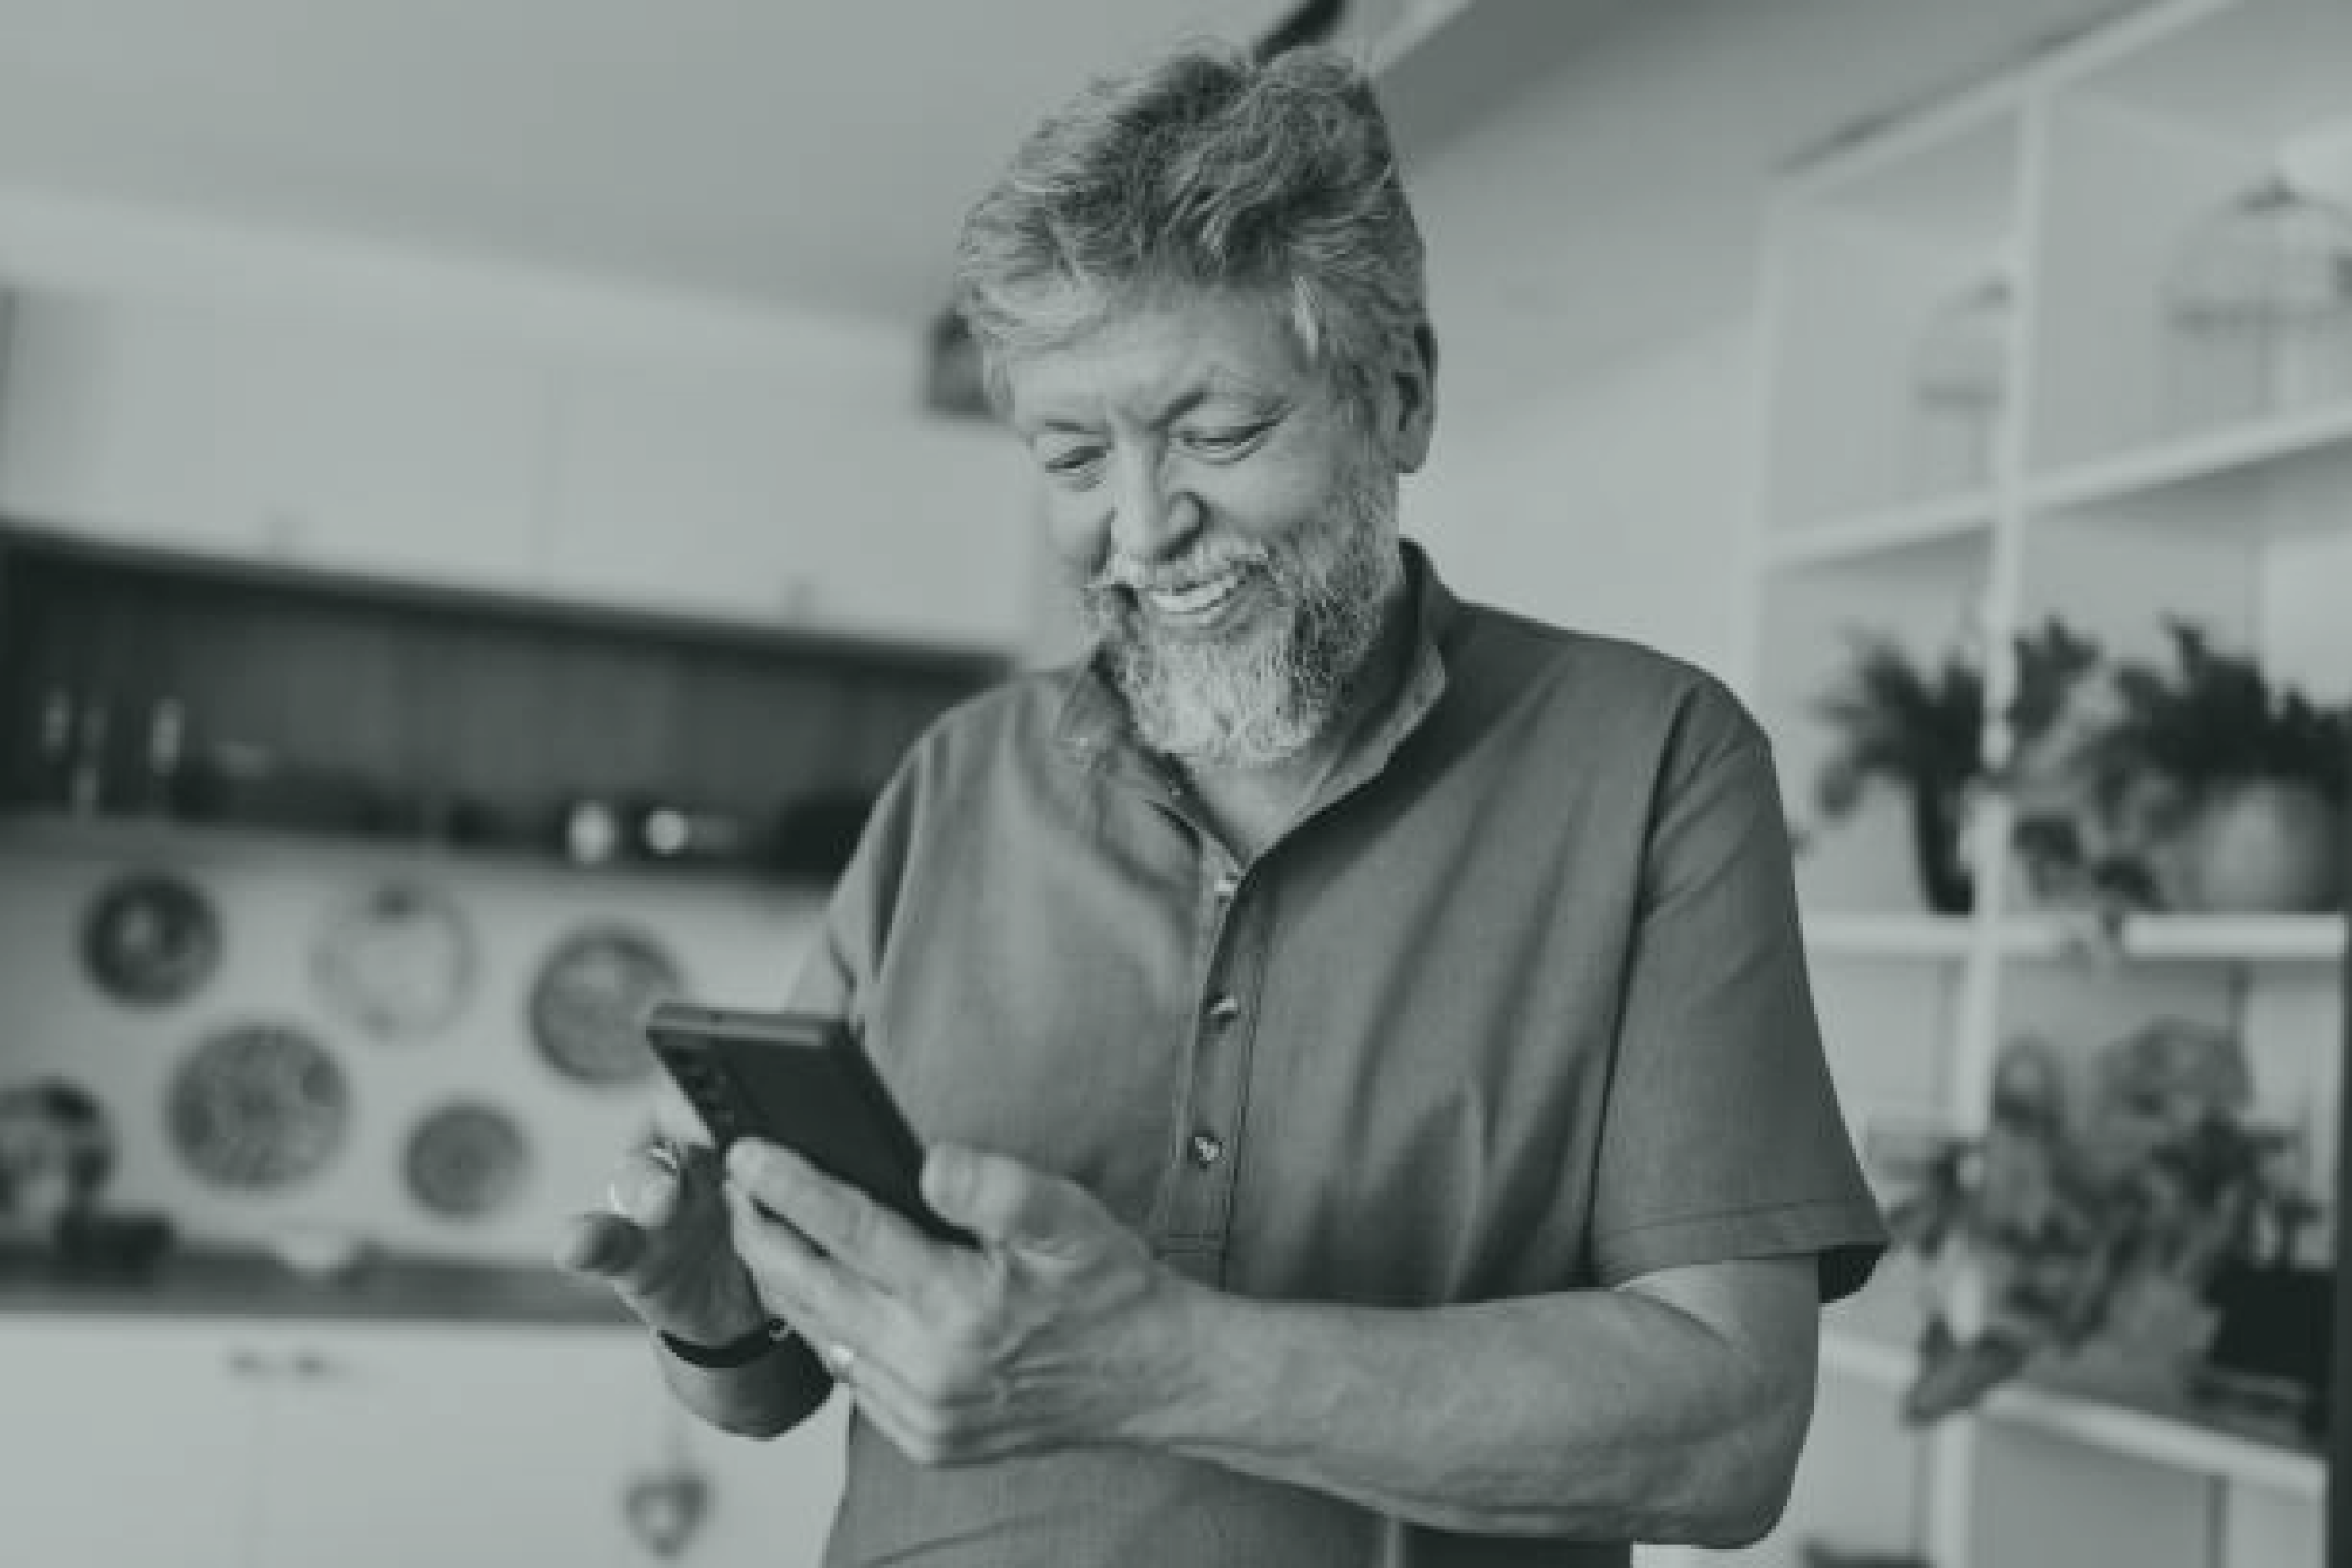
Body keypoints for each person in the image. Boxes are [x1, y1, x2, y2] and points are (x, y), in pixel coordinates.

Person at [558, 38, 1885, 1568]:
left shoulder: (1653, 761)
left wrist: (1162, 1361)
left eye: (1217, 432)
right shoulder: (955, 782)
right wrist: (722, 1323)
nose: (1141, 528)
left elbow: (1725, 1434)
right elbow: (786, 1381)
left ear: (1399, 396)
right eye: (1071, 454)